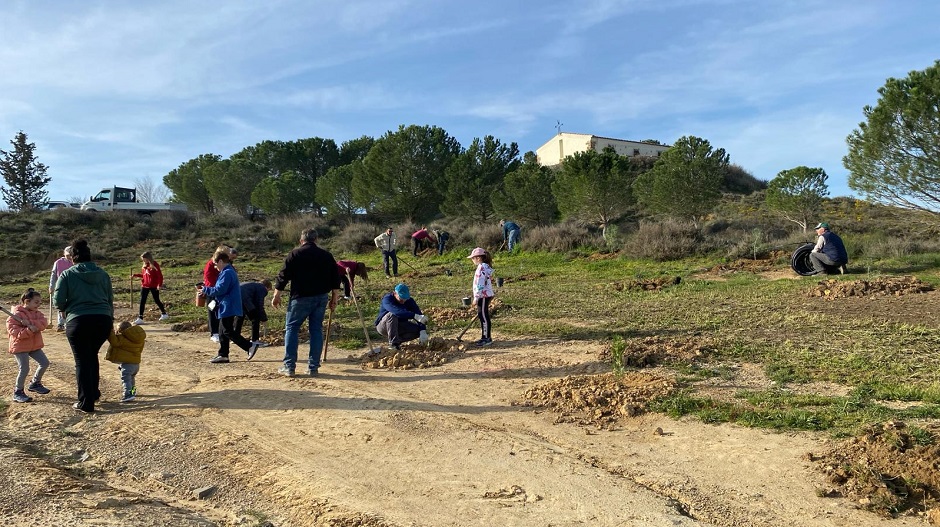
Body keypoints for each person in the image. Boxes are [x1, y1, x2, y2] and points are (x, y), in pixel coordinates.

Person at [53, 239, 114, 414]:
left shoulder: (67, 274)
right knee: (92, 355)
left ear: (72, 259)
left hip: (78, 320)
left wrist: (65, 309)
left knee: (82, 361)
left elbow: (58, 301)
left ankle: (85, 402)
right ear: (90, 257)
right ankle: (93, 393)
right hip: (102, 319)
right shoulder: (103, 274)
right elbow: (110, 300)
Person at [271, 229, 340, 377]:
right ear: (316, 240)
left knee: (292, 328)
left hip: (300, 298)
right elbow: (335, 277)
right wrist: (335, 297)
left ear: (301, 240)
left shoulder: (295, 254)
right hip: (321, 297)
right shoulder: (326, 255)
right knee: (316, 330)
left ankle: (289, 367)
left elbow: (283, 276)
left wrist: (276, 295)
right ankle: (313, 367)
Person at [200, 250, 259, 364]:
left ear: (221, 261)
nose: (215, 267)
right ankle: (223, 355)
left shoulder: (227, 273)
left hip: (228, 305)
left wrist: (205, 289)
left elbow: (220, 289)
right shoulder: (226, 272)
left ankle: (249, 346)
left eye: (215, 264)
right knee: (222, 331)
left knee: (227, 330)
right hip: (226, 305)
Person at [6, 288, 51, 403]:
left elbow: (43, 323)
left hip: (34, 346)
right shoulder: (15, 315)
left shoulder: (37, 313)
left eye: (39, 302)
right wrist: (29, 330)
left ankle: (35, 383)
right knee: (24, 369)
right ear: (27, 301)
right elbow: (16, 333)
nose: (38, 305)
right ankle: (18, 392)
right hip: (20, 347)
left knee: (44, 363)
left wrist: (30, 324)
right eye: (36, 302)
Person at [374, 283, 429, 350]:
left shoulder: (409, 301)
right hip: (383, 326)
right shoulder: (387, 299)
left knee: (418, 330)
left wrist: (422, 330)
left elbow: (419, 315)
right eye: (401, 298)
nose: (403, 301)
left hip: (400, 326)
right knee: (391, 315)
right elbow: (396, 312)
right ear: (394, 293)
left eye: (405, 298)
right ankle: (394, 345)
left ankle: (397, 340)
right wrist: (413, 316)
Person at [203, 246, 237, 343]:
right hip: (213, 290)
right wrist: (216, 287)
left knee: (218, 312)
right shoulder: (212, 264)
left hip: (219, 290)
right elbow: (209, 278)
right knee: (212, 311)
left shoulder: (226, 264)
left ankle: (220, 333)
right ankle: (214, 333)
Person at [105, 321, 145, 402]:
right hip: (136, 363)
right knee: (132, 378)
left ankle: (128, 394)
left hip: (127, 364)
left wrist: (111, 331)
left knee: (126, 379)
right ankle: (133, 392)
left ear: (120, 330)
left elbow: (114, 342)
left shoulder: (122, 338)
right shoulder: (139, 338)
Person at [467, 247, 495, 347]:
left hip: (483, 295)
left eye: (473, 258)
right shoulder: (485, 267)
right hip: (485, 294)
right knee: (483, 315)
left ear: (478, 258)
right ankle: (485, 337)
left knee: (483, 316)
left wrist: (476, 298)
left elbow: (480, 284)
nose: (472, 260)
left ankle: (487, 338)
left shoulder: (481, 268)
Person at [132, 251, 169, 325]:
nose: (143, 260)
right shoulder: (144, 265)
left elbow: (159, 276)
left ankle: (164, 314)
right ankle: (140, 317)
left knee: (156, 300)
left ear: (148, 258)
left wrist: (159, 284)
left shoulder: (154, 264)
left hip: (153, 285)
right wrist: (136, 275)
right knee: (142, 301)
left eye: (144, 259)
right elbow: (144, 275)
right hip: (145, 285)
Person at [236, 279, 272, 347]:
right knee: (255, 318)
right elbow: (259, 305)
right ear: (267, 287)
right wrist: (264, 319)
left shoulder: (253, 285)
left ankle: (236, 338)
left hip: (235, 297)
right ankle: (255, 341)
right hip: (245, 298)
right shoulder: (262, 288)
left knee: (240, 317)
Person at [49, 246, 73, 331]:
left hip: (72, 287)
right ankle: (60, 324)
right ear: (64, 254)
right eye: (68, 255)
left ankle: (68, 323)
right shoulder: (58, 262)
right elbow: (54, 275)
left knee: (70, 305)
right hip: (60, 287)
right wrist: (51, 286)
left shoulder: (75, 262)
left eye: (71, 255)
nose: (70, 257)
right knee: (61, 304)